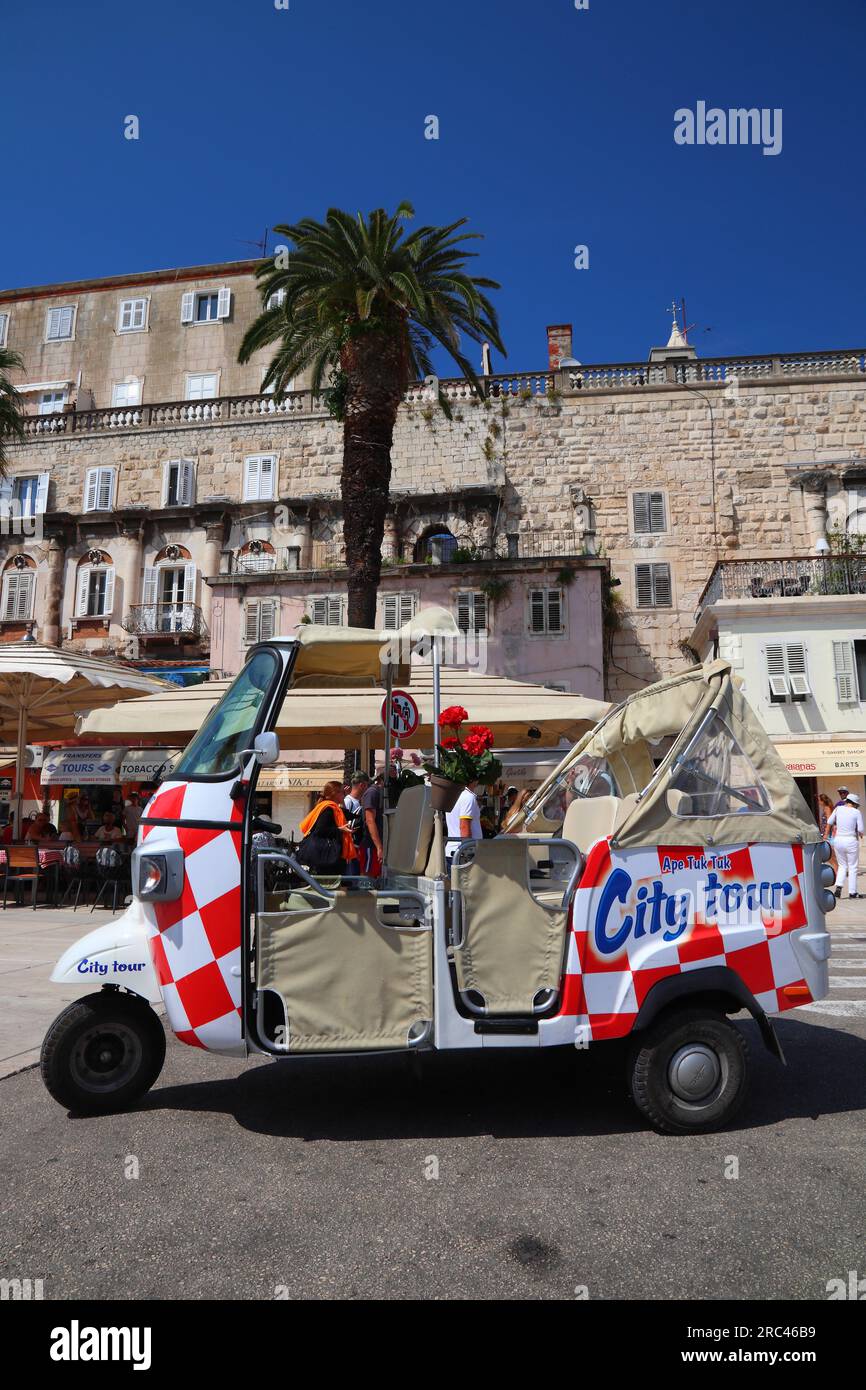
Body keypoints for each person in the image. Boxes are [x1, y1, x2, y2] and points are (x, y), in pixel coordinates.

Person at [297, 781, 357, 876]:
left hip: (325, 856)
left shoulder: (331, 807)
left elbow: (350, 816)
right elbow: (321, 830)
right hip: (327, 856)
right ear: (335, 794)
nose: (344, 795)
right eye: (342, 792)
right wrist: (340, 829)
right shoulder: (328, 809)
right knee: (334, 884)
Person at [825, 792, 864, 899]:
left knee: (842, 865)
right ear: (855, 803)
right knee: (852, 867)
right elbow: (860, 829)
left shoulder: (838, 809)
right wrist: (860, 833)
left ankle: (838, 888)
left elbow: (829, 821)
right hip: (851, 840)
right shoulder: (856, 812)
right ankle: (852, 892)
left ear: (847, 801)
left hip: (838, 840)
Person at [445, 778, 482, 861]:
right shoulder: (468, 797)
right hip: (463, 853)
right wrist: (468, 851)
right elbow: (464, 826)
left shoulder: (454, 795)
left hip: (455, 851)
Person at [359, 773, 385, 878]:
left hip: (376, 845)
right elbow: (370, 820)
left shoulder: (378, 793)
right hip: (370, 845)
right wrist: (379, 847)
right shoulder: (372, 792)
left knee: (374, 877)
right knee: (368, 877)